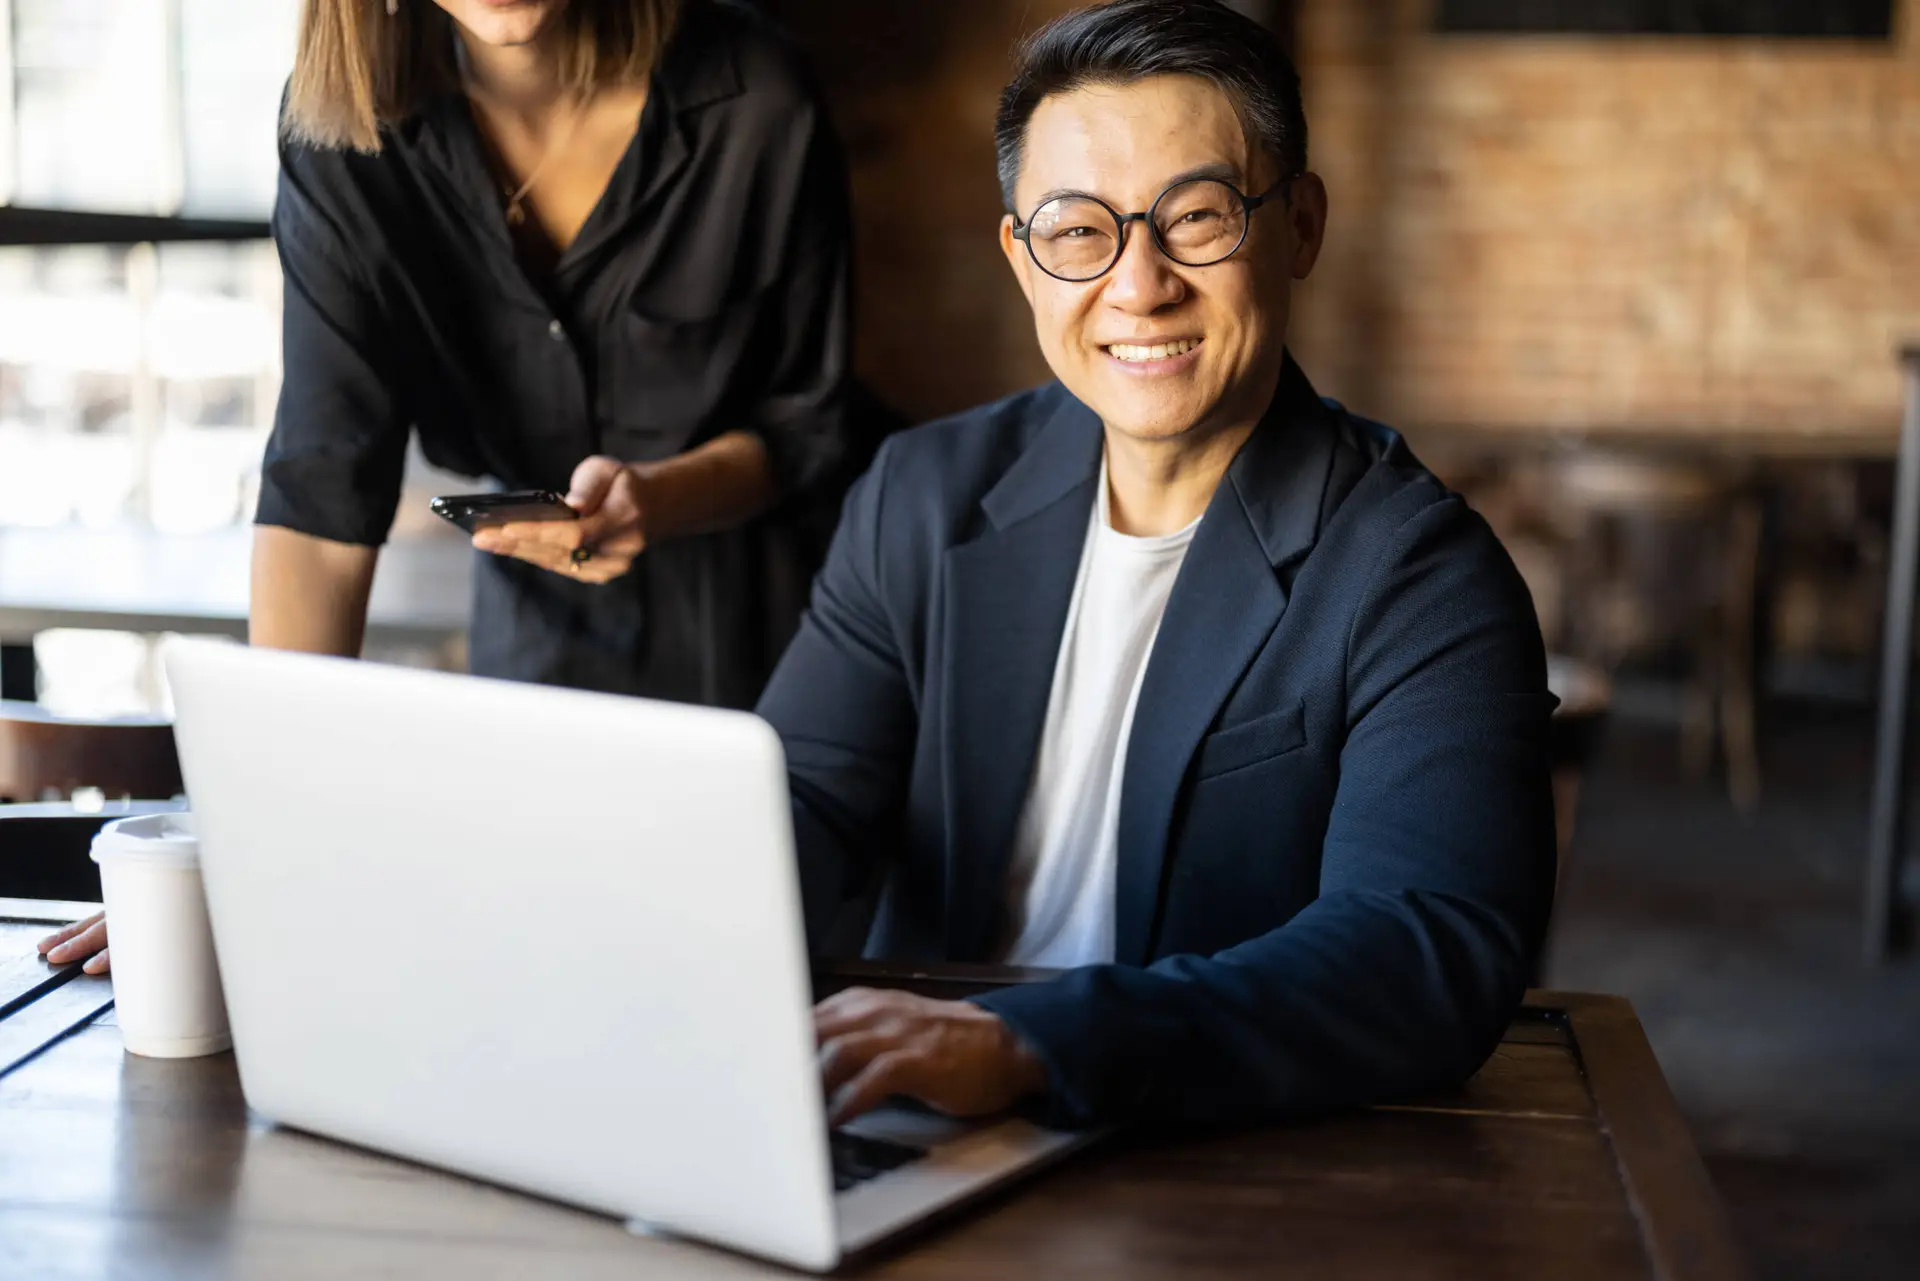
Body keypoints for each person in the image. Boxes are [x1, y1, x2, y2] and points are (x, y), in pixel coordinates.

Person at [781, 0, 1558, 1127]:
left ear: (1298, 227)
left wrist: (1027, 1046)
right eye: (1078, 231)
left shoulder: (1420, 574)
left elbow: (1426, 947)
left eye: (1196, 218)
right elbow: (800, 800)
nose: (1139, 286)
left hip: (1210, 1141)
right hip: (907, 1113)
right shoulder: (924, 496)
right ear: (1022, 258)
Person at [39, 0, 862, 975]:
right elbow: (321, 485)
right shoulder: (345, 129)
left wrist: (658, 498)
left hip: (774, 655)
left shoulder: (754, 93)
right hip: (533, 657)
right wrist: (252, 831)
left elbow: (810, 428)